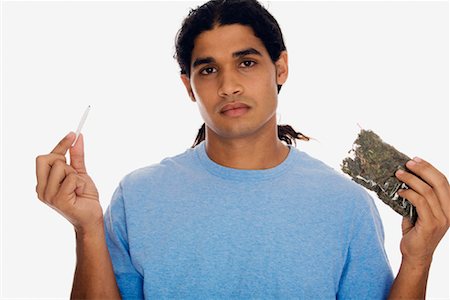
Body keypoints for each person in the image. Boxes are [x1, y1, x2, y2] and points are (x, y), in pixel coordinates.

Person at [35, 0, 449, 298]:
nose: (228, 85)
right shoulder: (137, 195)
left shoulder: (345, 205)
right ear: (188, 86)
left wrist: (419, 259)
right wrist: (87, 228)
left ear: (280, 67)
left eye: (247, 62)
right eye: (208, 69)